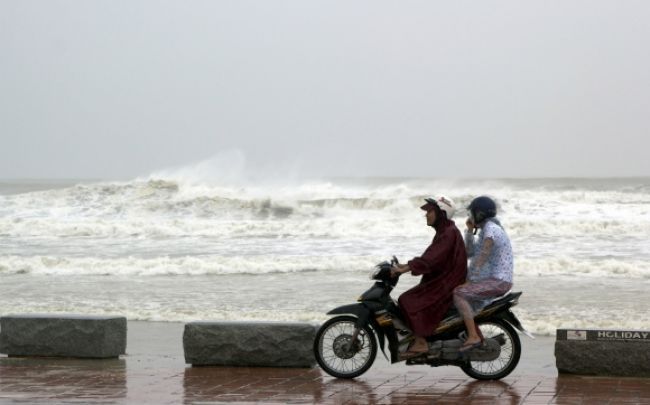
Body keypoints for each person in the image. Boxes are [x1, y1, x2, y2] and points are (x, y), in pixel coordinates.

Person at [391, 195, 467, 358]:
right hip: (443, 279)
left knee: (408, 300)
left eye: (430, 211)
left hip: (447, 282)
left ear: (441, 213)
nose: (426, 214)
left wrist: (404, 269)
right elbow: (430, 257)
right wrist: (405, 266)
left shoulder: (448, 233)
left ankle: (421, 342)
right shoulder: (445, 231)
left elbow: (430, 259)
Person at [453, 196, 514, 352]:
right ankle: (471, 333)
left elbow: (483, 256)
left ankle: (473, 336)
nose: (470, 216)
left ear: (479, 214)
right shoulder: (487, 229)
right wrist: (469, 231)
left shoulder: (491, 230)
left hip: (498, 281)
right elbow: (470, 252)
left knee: (458, 294)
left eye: (472, 213)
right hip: (494, 279)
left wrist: (471, 280)